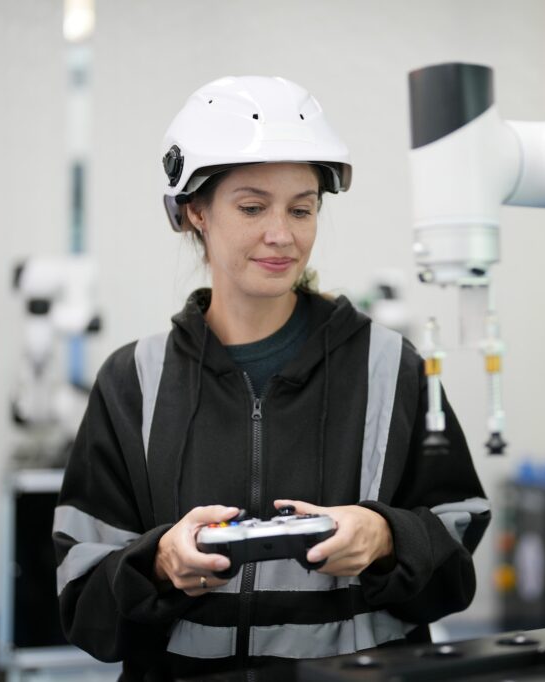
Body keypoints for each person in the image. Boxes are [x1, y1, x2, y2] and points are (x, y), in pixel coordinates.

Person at [52, 75, 490, 680]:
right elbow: (81, 597)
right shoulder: (133, 381)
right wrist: (159, 563)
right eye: (253, 207)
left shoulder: (393, 368)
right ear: (193, 212)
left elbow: (456, 556)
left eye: (302, 208)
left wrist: (388, 537)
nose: (282, 234)